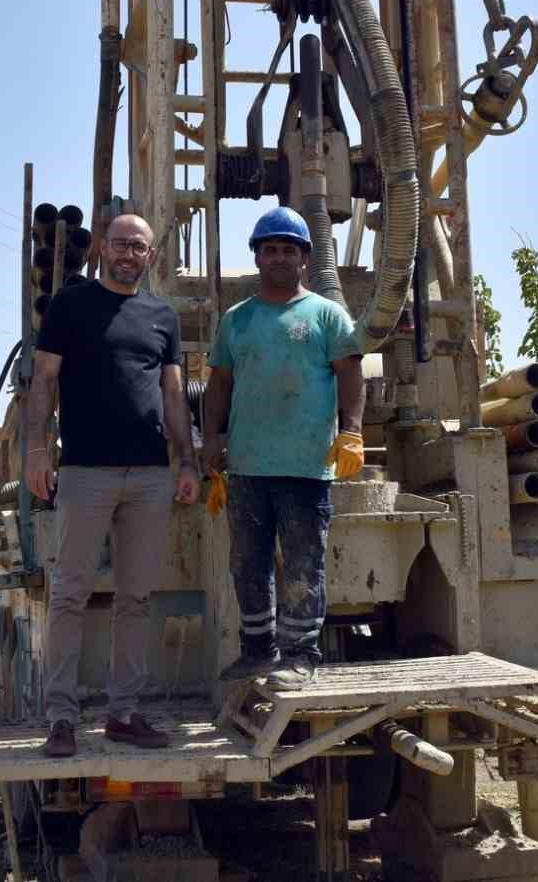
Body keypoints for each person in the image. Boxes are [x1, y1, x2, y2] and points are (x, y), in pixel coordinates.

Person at [26, 213, 200, 757]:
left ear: (152, 256)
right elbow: (43, 382)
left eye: (140, 247)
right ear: (102, 247)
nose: (129, 254)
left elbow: (174, 397)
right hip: (84, 473)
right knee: (70, 595)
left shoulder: (162, 317)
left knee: (135, 598)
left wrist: (188, 462)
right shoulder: (70, 306)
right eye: (121, 244)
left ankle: (124, 712)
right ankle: (61, 718)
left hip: (149, 475)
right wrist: (37, 450)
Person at [202, 206, 366, 688]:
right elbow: (219, 385)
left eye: (287, 249)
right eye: (269, 249)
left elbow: (352, 375)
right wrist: (211, 440)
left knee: (301, 563)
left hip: (307, 467)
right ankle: (257, 652)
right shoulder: (236, 321)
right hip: (248, 468)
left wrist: (351, 431)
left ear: (304, 260)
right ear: (256, 258)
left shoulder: (327, 316)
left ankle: (300, 656)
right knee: (247, 565)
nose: (277, 257)